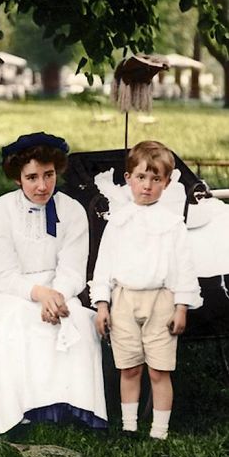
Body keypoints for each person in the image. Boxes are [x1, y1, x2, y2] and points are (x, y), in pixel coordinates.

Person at [0, 132, 108, 434]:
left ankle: (70, 404)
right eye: (32, 177)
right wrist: (39, 294)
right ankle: (23, 408)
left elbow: (74, 267)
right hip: (8, 289)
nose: (42, 185)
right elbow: (5, 273)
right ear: (18, 177)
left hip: (60, 287)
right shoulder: (0, 211)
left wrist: (56, 296)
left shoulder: (71, 210)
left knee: (78, 322)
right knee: (20, 320)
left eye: (48, 175)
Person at [90, 141, 202, 440]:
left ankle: (159, 430)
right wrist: (102, 304)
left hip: (161, 300)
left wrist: (181, 307)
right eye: (141, 177)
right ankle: (129, 426)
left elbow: (184, 267)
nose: (148, 186)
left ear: (166, 182)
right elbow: (104, 265)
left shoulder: (172, 223)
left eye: (156, 179)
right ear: (128, 179)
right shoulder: (119, 220)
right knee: (129, 368)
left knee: (159, 370)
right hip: (124, 299)